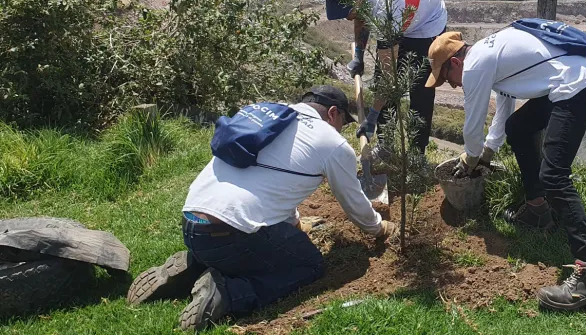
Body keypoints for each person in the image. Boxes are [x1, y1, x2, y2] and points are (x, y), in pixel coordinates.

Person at [126, 86, 396, 331]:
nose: (340, 130)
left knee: (245, 239)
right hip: (231, 235)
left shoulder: (268, 117)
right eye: (341, 123)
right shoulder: (332, 144)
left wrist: (295, 223)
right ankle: (229, 292)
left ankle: (194, 263)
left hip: (193, 224)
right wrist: (378, 226)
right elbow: (352, 201)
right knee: (309, 265)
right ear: (333, 113)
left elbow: (270, 183)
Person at [426, 27, 586, 311]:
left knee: (554, 175)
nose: (450, 85)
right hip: (575, 81)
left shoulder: (476, 65)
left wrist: (472, 157)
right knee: (519, 127)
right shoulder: (490, 56)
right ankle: (538, 209)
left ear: (455, 62)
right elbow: (504, 110)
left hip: (578, 87)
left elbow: (472, 123)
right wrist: (488, 150)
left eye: (446, 78)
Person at [322, 0, 447, 155]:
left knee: (420, 88)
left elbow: (389, 76)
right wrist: (358, 56)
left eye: (347, 10)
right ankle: (385, 144)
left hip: (427, 22)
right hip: (401, 14)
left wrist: (371, 116)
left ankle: (416, 153)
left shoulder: (385, 6)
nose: (346, 16)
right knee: (382, 77)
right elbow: (360, 16)